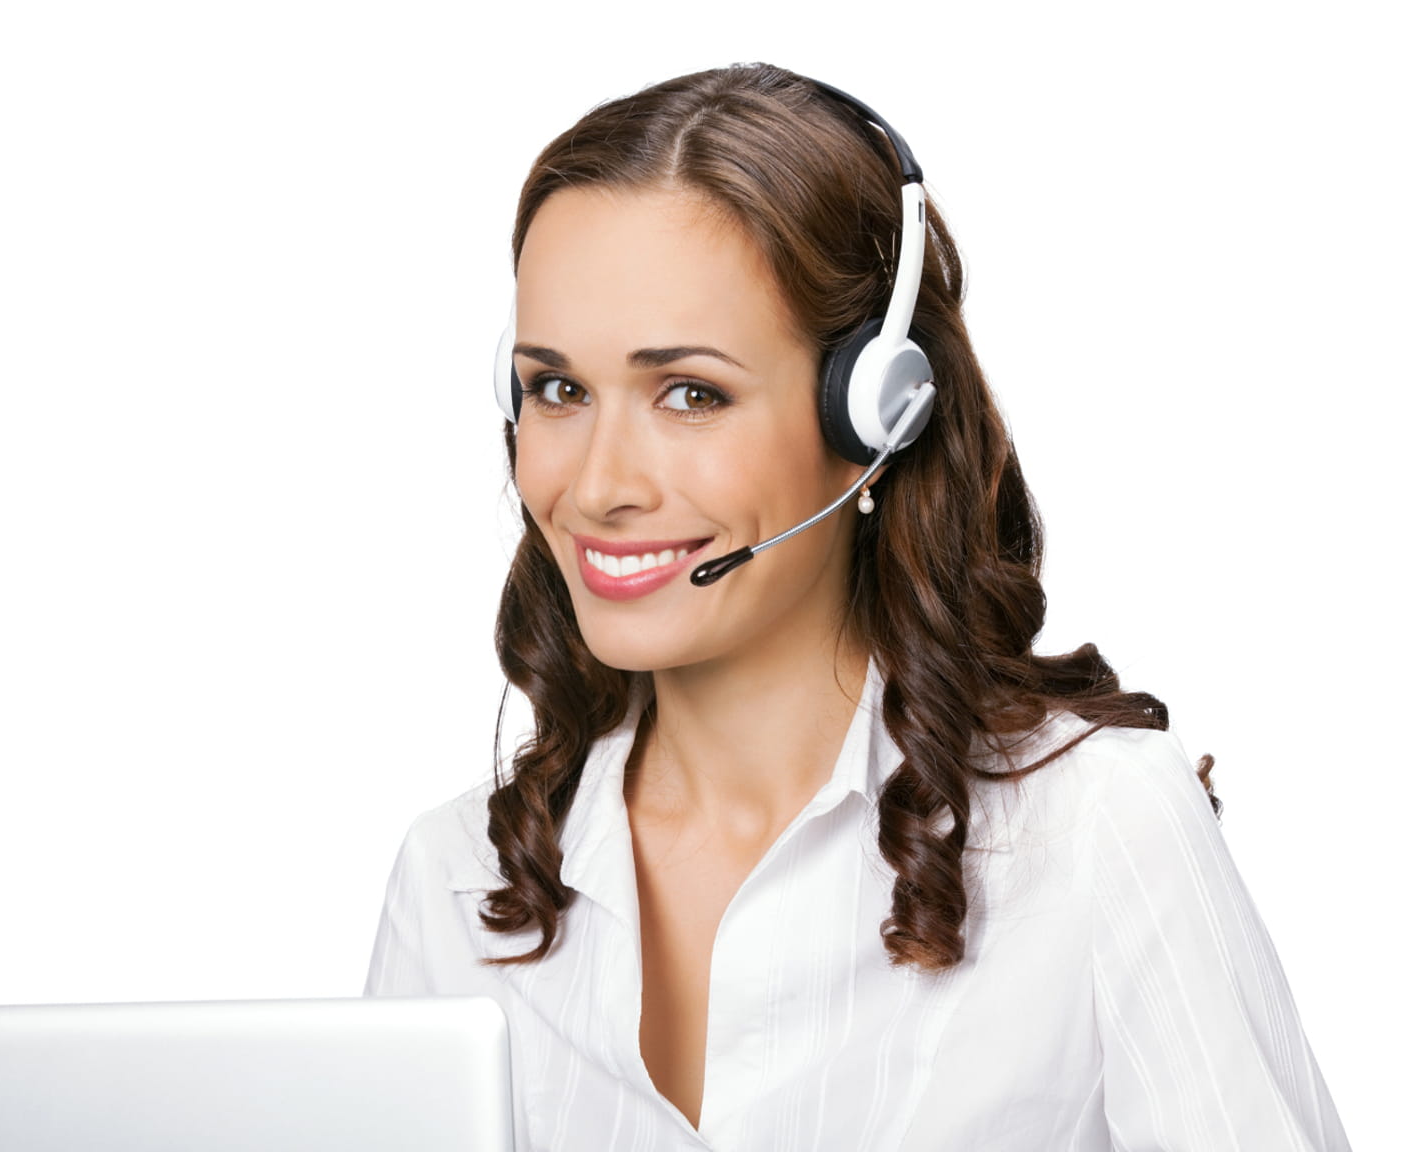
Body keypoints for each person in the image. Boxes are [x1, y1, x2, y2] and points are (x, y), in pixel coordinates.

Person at [366, 63, 1348, 1151]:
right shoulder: (458, 880)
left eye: (691, 394)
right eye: (558, 388)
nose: (597, 486)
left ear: (876, 413)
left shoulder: (1094, 836)